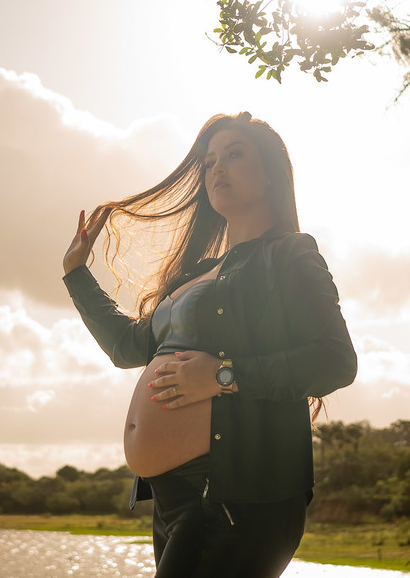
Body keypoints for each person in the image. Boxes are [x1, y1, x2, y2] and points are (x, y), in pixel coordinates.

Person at [60, 111, 357, 578]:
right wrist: (77, 274)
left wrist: (223, 376)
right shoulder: (195, 273)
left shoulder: (289, 253)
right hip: (174, 500)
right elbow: (126, 347)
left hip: (238, 496)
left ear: (270, 173)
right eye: (210, 161)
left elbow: (335, 361)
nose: (217, 168)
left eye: (235, 155)